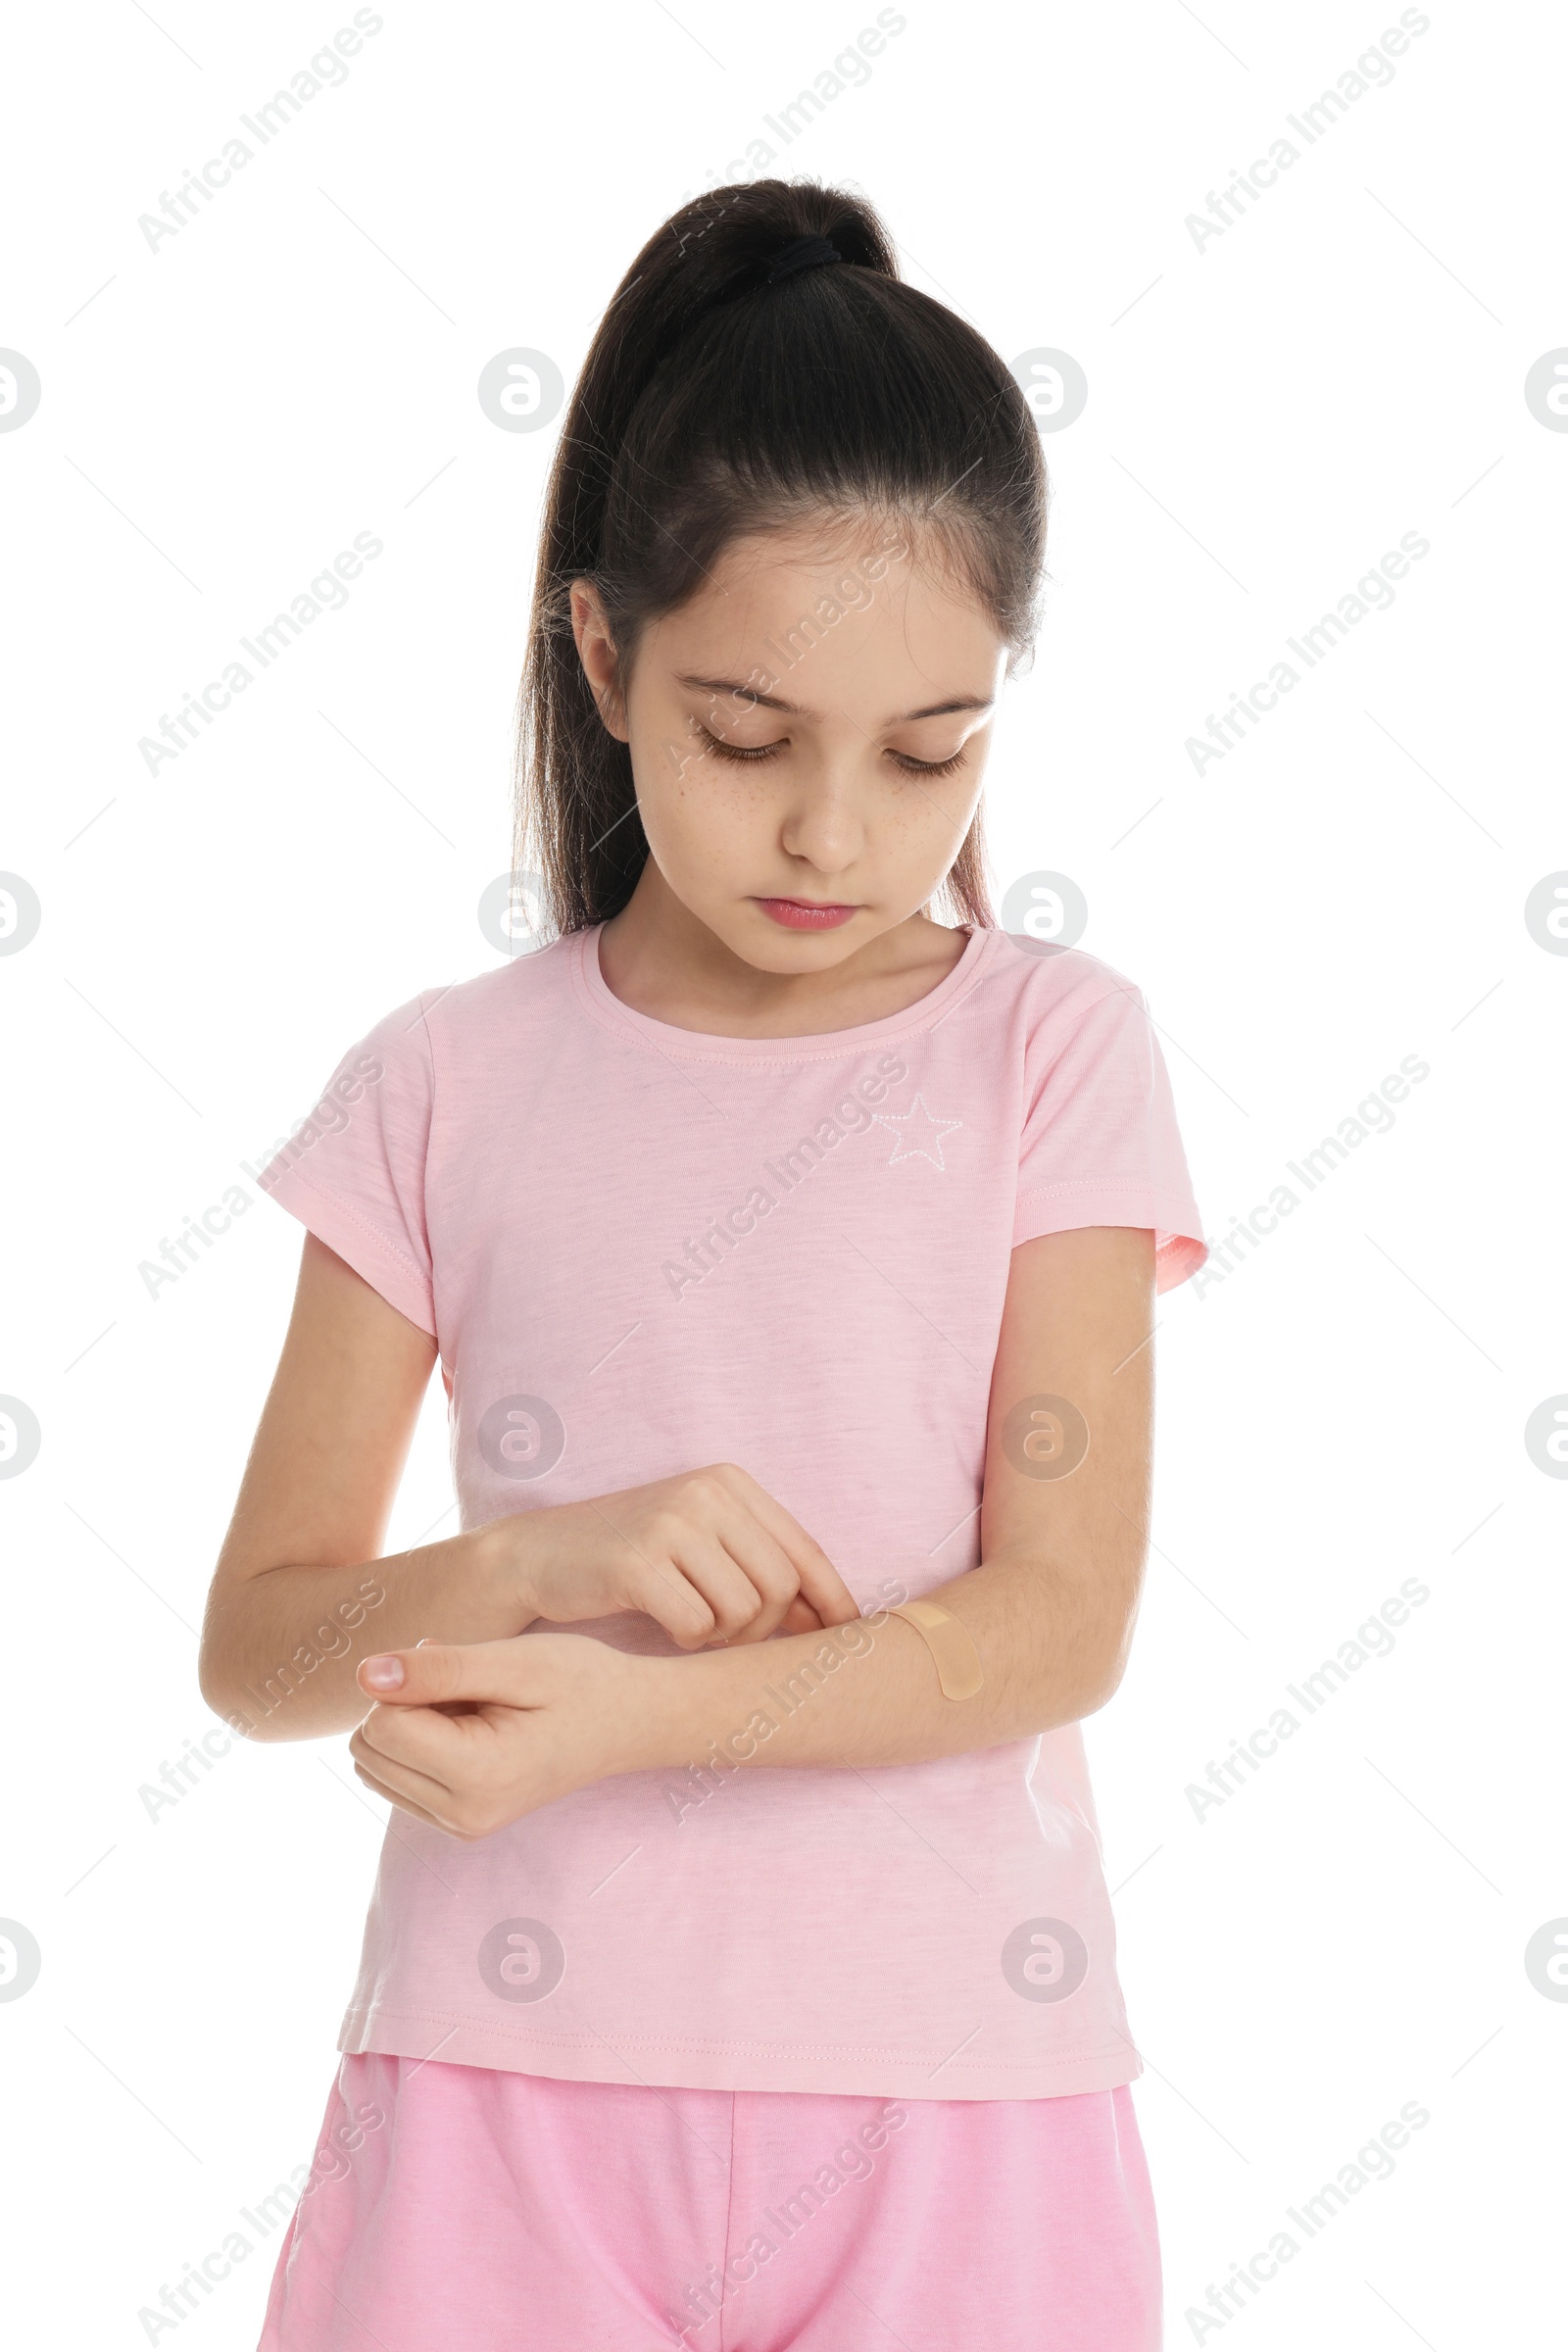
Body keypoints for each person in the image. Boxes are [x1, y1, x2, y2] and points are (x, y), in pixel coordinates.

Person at [199, 175, 1205, 2352]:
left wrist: (629, 1728)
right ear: (599, 653)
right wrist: (538, 1564)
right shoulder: (443, 1084)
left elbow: (1051, 1618)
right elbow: (264, 1655)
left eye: (927, 751)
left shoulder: (1052, 1050)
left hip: (960, 2105)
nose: (836, 833)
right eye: (748, 739)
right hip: (492, 2102)